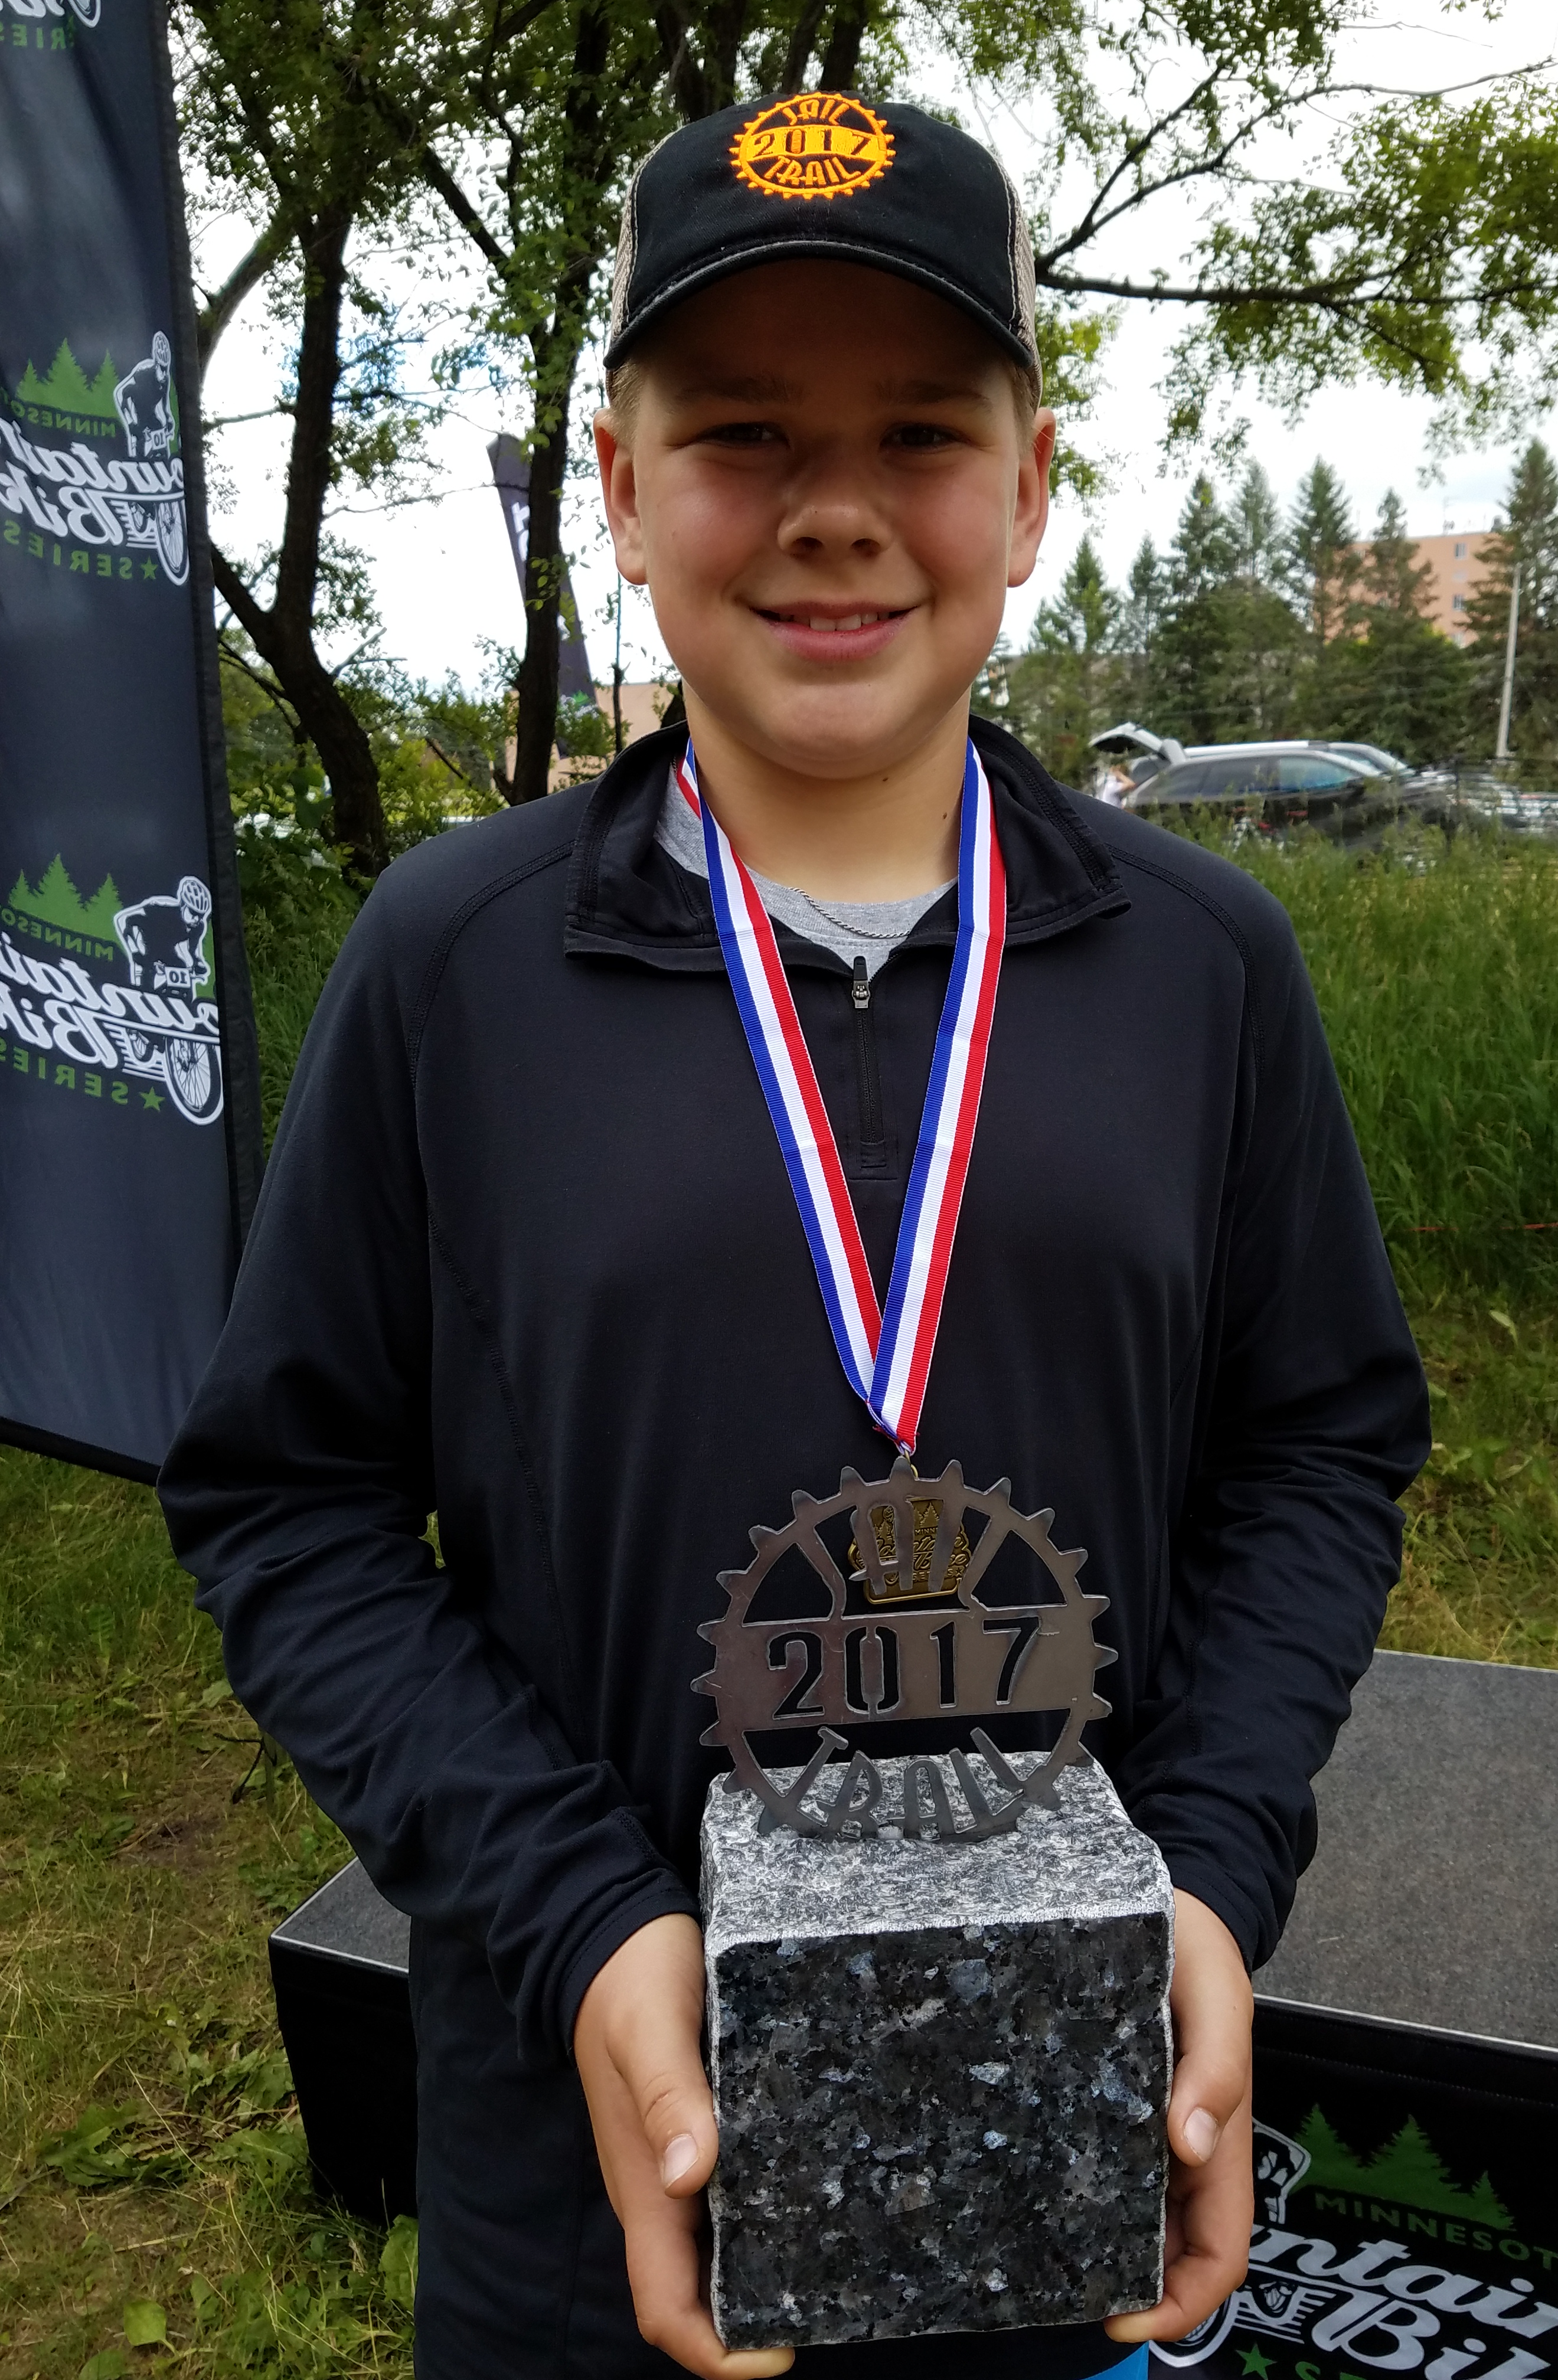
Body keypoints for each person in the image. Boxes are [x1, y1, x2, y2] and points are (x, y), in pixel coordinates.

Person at [158, 91, 1429, 2380]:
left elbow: (1320, 1445)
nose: (834, 508)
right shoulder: (454, 966)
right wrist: (585, 1920)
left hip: (1074, 2154)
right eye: (741, 432)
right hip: (598, 2196)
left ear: (1028, 493)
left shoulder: (1203, 971)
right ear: (621, 488)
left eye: (921, 432)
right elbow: (287, 1502)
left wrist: (1206, 1876)